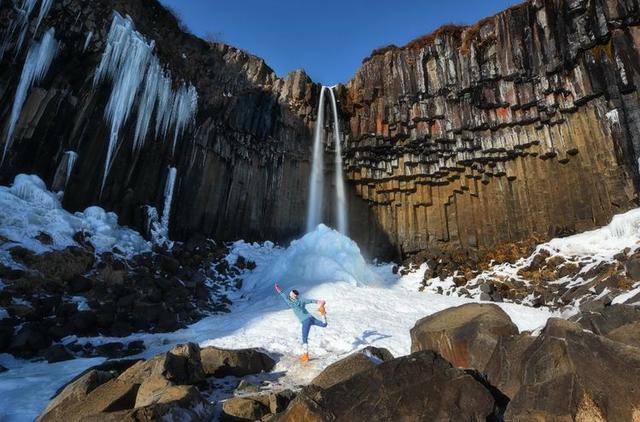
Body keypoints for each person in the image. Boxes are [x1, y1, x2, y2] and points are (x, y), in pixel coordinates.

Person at [274, 282, 327, 363]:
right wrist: (319, 302)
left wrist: (278, 289)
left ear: (291, 296)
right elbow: (310, 301)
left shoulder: (290, 303)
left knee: (304, 338)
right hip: (310, 318)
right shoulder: (301, 299)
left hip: (305, 321)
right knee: (324, 324)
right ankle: (322, 311)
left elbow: (283, 296)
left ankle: (306, 356)